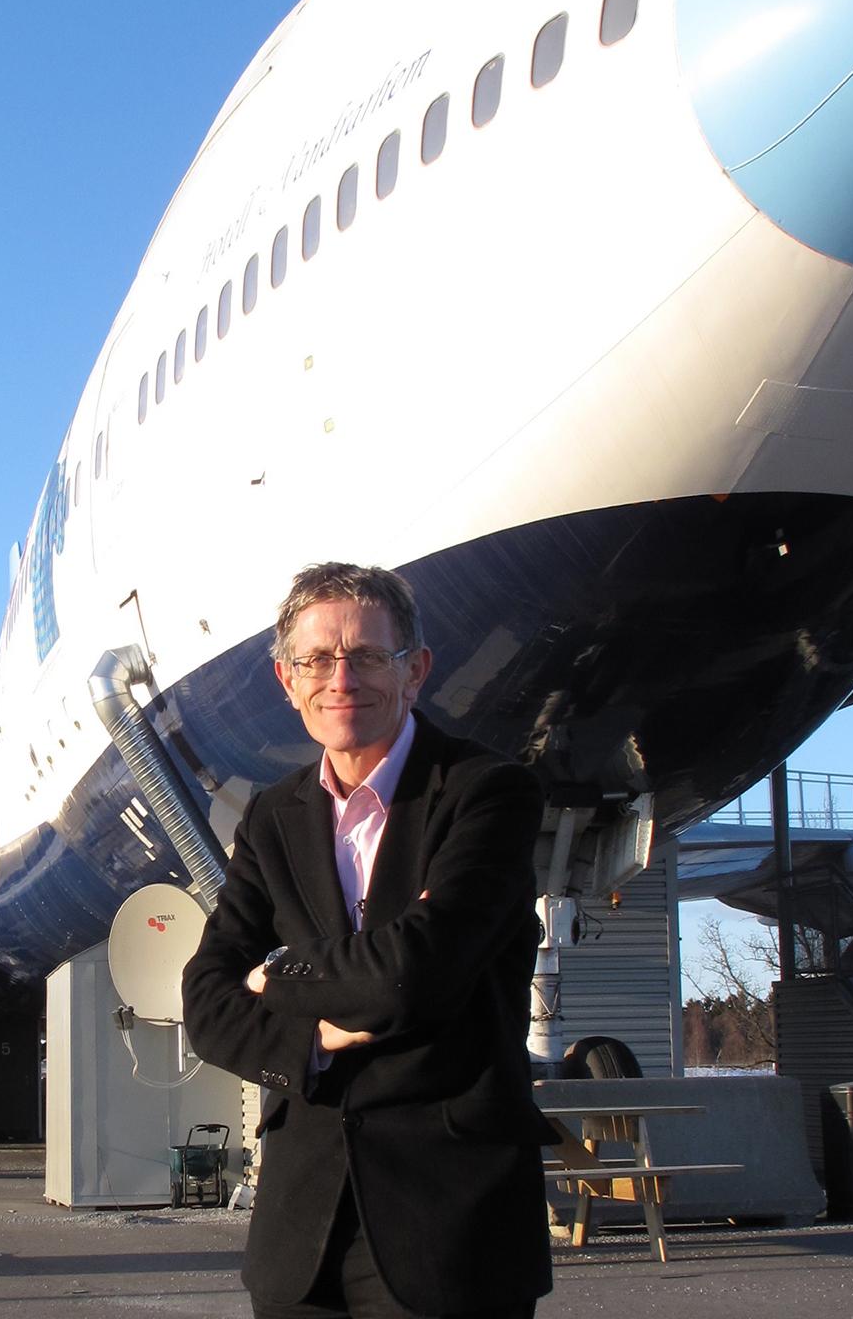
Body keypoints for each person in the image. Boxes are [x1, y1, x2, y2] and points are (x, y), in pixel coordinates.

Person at [183, 562, 553, 1319]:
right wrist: (313, 1036)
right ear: (286, 680)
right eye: (317, 659)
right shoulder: (271, 818)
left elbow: (413, 974)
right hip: (299, 1239)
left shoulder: (487, 794)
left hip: (449, 1227)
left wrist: (274, 975)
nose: (340, 678)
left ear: (415, 670)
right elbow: (204, 1000)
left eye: (367, 656)